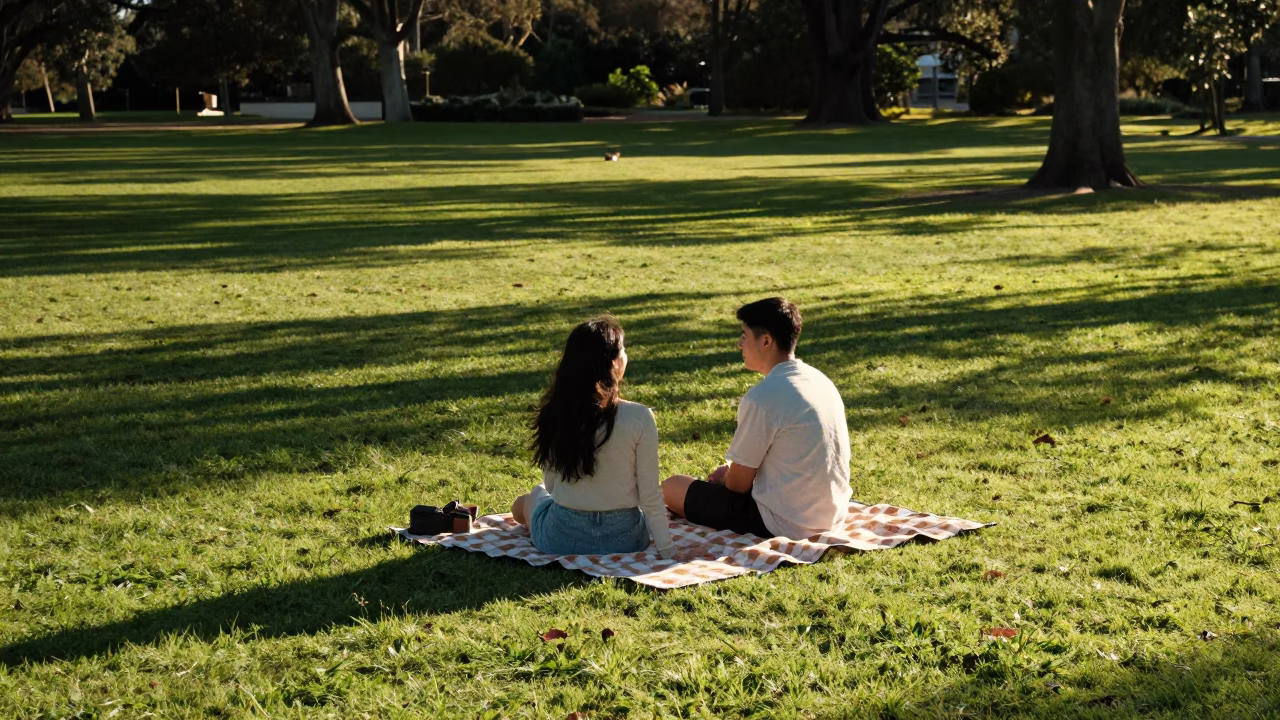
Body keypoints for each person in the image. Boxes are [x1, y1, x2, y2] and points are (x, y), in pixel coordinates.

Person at [661, 297, 851, 539]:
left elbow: (737, 486)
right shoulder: (820, 381)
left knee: (672, 486)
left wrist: (728, 475)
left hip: (784, 522)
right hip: (831, 515)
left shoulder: (763, 397)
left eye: (743, 336)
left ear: (766, 341)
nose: (739, 345)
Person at [511, 315, 675, 559]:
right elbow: (650, 496)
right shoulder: (639, 417)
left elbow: (552, 486)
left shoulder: (556, 411)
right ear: (613, 363)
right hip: (626, 539)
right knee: (533, 499)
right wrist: (667, 550)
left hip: (562, 538)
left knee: (528, 500)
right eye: (624, 351)